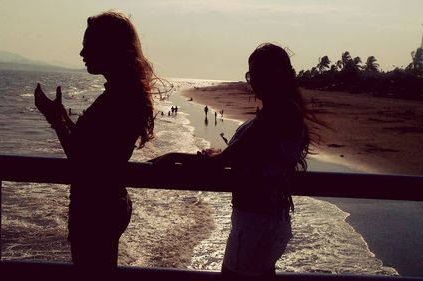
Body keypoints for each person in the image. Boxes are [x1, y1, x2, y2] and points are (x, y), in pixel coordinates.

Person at [150, 43, 321, 280]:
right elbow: (247, 153)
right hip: (269, 219)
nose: (253, 81)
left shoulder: (276, 114)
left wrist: (174, 157)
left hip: (256, 221)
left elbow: (225, 160)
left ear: (276, 75)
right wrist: (223, 155)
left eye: (258, 74)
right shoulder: (283, 112)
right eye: (251, 74)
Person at [34, 11, 155, 277]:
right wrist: (62, 115)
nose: (81, 53)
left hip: (96, 208)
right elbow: (92, 147)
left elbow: (85, 160)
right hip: (107, 202)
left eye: (88, 45)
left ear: (108, 48)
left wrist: (56, 120)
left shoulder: (119, 98)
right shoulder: (122, 92)